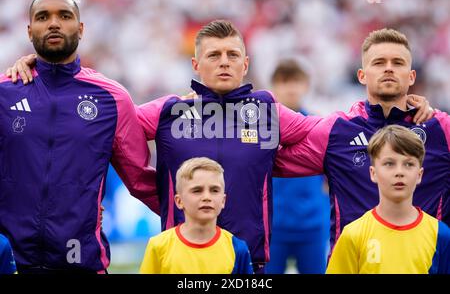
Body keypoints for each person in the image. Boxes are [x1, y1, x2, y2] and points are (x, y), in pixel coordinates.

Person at [6, 21, 433, 274]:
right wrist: (46, 72)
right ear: (196, 65)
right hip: (179, 258)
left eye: (233, 54)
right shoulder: (168, 110)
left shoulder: (269, 111)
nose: (224, 61)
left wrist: (396, 107)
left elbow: (334, 133)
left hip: (251, 263)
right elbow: (99, 126)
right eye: (214, 55)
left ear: (246, 64)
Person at [0, 0, 158, 273]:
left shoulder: (112, 98)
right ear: (29, 30)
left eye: (64, 16)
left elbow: (141, 180)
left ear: (81, 29)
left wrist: (201, 222)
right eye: (42, 17)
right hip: (10, 263)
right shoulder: (4, 92)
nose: (53, 23)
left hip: (81, 263)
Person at [274, 28, 450, 252]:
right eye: (378, 62)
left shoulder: (441, 130)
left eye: (397, 62)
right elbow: (265, 158)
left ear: (411, 76)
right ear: (361, 75)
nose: (388, 68)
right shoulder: (337, 130)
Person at [326, 125, 450, 274]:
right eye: (389, 164)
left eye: (409, 164)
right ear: (373, 173)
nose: (399, 172)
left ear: (419, 174)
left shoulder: (440, 235)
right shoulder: (353, 235)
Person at [266, 59, 329, 274]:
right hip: (273, 228)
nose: (290, 88)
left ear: (306, 85)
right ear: (274, 87)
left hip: (312, 225)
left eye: (296, 81)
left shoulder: (318, 127)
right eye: (284, 82)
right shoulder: (262, 129)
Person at [140, 157, 253, 274]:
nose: (207, 197)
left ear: (223, 200)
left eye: (214, 190)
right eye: (197, 190)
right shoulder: (158, 246)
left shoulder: (237, 248)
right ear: (179, 201)